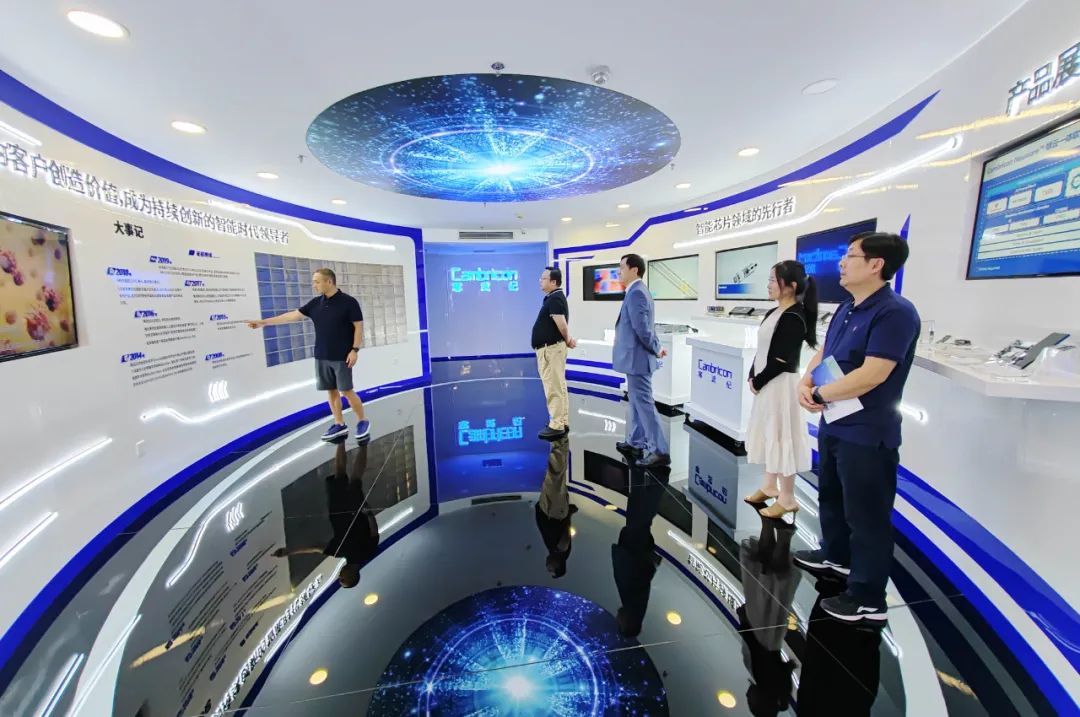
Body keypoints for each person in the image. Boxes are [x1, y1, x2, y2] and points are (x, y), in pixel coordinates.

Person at [793, 232, 920, 624]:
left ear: (876, 264)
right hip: (835, 422)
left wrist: (820, 393)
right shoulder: (848, 307)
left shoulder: (895, 312)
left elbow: (873, 373)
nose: (842, 263)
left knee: (867, 516)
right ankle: (836, 556)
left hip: (867, 432)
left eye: (850, 256)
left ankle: (867, 597)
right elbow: (824, 352)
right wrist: (806, 382)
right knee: (832, 497)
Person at [248, 268, 369, 442]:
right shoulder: (315, 304)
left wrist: (354, 350)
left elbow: (358, 327)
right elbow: (292, 316)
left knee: (346, 391)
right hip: (321, 355)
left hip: (342, 356)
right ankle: (339, 424)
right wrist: (264, 323)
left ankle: (362, 421)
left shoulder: (349, 302)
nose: (314, 285)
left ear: (329, 281)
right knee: (331, 391)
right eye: (314, 282)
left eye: (317, 282)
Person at [744, 261, 818, 520]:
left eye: (773, 280)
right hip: (768, 383)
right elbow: (763, 350)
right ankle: (769, 486)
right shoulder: (774, 312)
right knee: (770, 432)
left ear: (791, 286)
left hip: (781, 385)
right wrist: (753, 375)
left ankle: (787, 498)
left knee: (783, 434)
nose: (769, 285)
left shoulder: (794, 316)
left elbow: (781, 360)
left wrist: (759, 381)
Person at [272, 440, 379, 589]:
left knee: (342, 475)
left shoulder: (340, 552)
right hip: (353, 509)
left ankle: (345, 441)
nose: (339, 576)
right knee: (354, 479)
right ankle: (359, 443)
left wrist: (289, 551)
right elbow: (374, 533)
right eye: (342, 579)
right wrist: (368, 513)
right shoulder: (365, 552)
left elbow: (316, 547)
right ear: (352, 576)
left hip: (337, 510)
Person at [613, 253, 669, 467]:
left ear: (634, 269)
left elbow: (643, 329)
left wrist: (656, 348)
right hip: (635, 360)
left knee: (644, 404)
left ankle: (659, 451)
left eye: (622, 267)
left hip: (637, 360)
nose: (619, 271)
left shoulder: (636, 293)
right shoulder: (636, 291)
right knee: (637, 402)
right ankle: (635, 442)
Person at [532, 266, 576, 440]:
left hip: (551, 350)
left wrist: (568, 339)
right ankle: (562, 421)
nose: (540, 281)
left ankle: (556, 425)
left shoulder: (555, 299)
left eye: (543, 278)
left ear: (553, 282)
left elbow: (562, 324)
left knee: (553, 387)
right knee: (558, 385)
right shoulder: (553, 298)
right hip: (552, 349)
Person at [534, 436, 576, 577]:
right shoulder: (561, 551)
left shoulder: (555, 551)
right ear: (558, 566)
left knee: (554, 477)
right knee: (555, 475)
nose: (547, 566)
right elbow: (565, 535)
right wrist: (569, 515)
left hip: (550, 510)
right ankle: (559, 439)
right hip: (555, 511)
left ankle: (558, 441)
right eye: (551, 569)